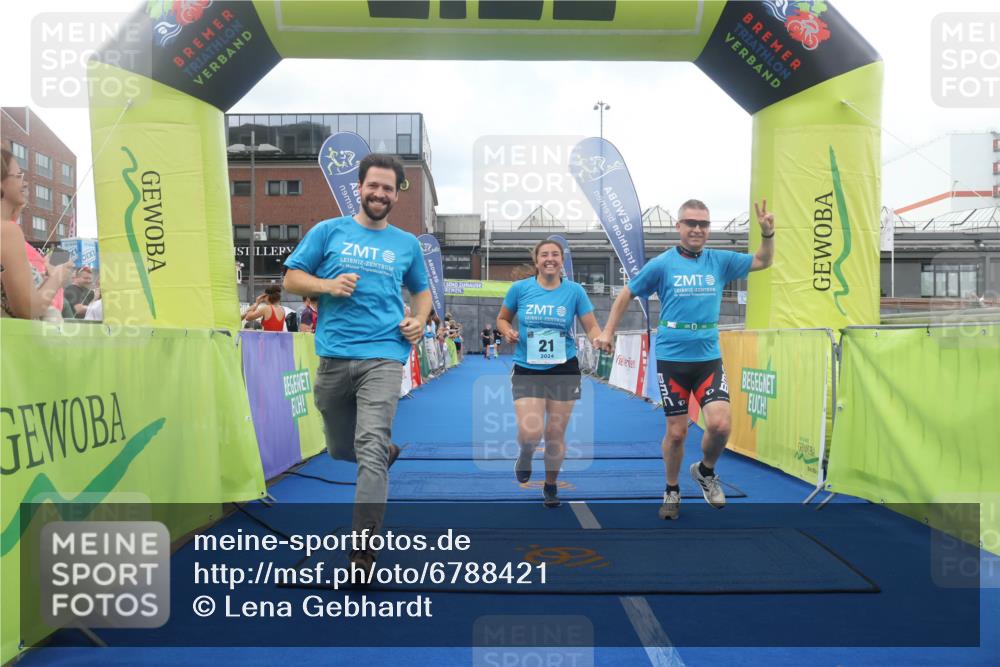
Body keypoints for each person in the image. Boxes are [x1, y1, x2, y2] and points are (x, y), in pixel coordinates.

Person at [283, 153, 431, 577]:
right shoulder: (328, 231)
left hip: (385, 353)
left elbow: (421, 293)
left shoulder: (406, 244)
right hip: (333, 353)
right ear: (360, 188)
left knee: (367, 448)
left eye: (388, 188)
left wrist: (418, 320)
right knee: (339, 448)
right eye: (373, 186)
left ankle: (362, 551)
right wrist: (327, 285)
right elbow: (292, 278)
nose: (380, 194)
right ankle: (385, 453)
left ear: (396, 194)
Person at [597, 199, 775, 520]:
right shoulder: (663, 264)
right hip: (672, 359)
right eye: (690, 223)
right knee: (677, 433)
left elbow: (763, 261)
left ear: (709, 229)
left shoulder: (719, 261)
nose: (697, 229)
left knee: (720, 425)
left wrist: (767, 233)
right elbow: (626, 292)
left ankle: (705, 471)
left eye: (703, 224)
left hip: (707, 357)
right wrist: (608, 332)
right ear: (679, 226)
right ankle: (672, 488)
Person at [497, 239, 603, 508]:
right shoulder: (520, 289)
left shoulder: (575, 292)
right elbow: (502, 318)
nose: (550, 259)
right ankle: (525, 453)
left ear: (561, 260)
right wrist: (507, 331)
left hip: (563, 367)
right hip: (527, 368)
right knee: (530, 432)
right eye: (544, 255)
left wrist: (598, 338)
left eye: (555, 254)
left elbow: (591, 325)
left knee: (555, 433)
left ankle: (551, 484)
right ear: (536, 261)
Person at [1, 148, 72, 320]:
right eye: (18, 176)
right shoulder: (7, 231)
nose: (24, 183)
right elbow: (28, 310)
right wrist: (58, 277)